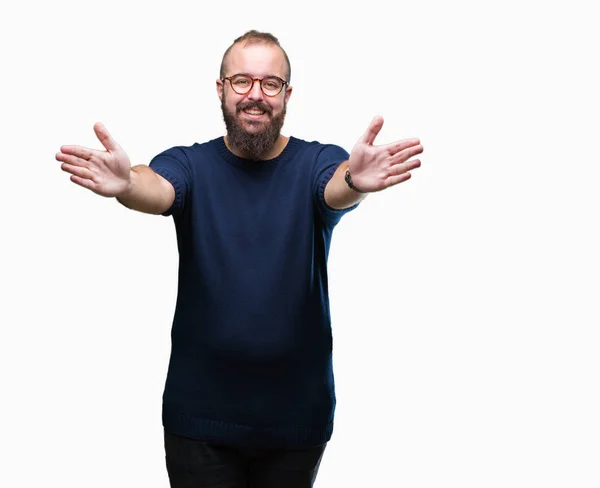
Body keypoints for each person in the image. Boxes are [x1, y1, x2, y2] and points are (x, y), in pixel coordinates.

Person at [56, 30, 423, 488]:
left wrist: (356, 180)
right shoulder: (189, 164)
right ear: (221, 89)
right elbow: (157, 187)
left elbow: (336, 186)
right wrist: (127, 186)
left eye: (270, 84)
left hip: (295, 419)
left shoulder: (316, 163)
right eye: (242, 81)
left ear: (287, 95)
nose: (255, 95)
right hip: (201, 420)